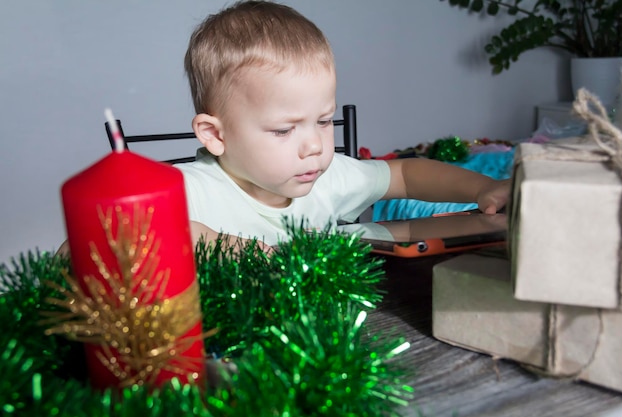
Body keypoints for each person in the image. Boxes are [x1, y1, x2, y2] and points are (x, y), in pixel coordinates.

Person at [177, 0, 510, 249]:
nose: (315, 146)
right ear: (216, 135)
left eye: (324, 121)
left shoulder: (327, 176)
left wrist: (481, 188)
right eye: (284, 130)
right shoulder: (190, 188)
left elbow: (405, 175)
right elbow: (135, 224)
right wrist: (247, 252)